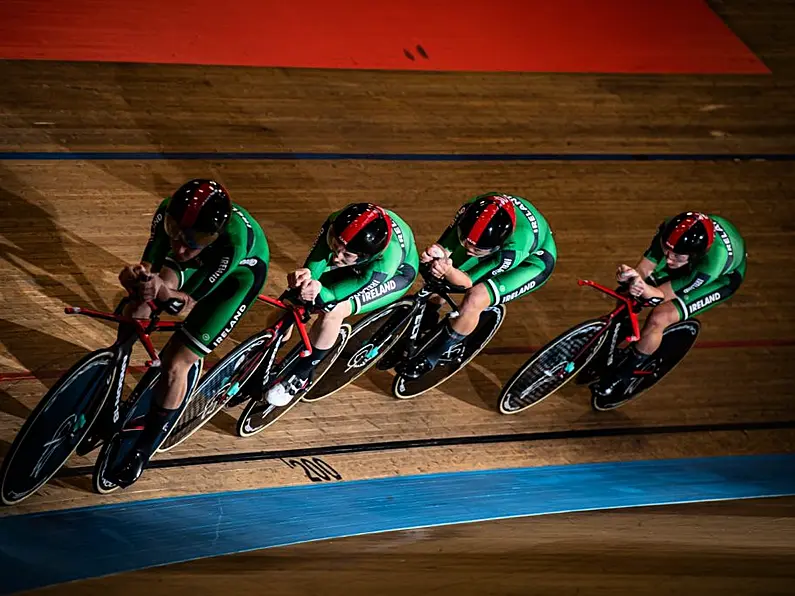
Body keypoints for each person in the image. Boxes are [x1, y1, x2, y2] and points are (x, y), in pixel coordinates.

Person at [112, 179, 270, 486]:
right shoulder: (168, 216)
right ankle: (111, 378)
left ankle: (144, 450)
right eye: (175, 235)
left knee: (175, 364)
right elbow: (151, 267)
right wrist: (138, 280)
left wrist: (164, 293)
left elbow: (184, 305)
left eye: (192, 240)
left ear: (211, 234)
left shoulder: (232, 242)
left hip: (236, 277)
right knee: (139, 304)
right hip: (204, 258)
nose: (180, 247)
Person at [266, 202, 419, 406]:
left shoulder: (384, 265)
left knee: (334, 310)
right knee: (294, 297)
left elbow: (334, 294)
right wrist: (307, 277)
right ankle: (264, 351)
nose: (337, 256)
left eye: (346, 254)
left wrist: (321, 292)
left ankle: (301, 375)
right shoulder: (338, 223)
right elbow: (317, 260)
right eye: (336, 245)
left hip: (394, 277)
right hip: (360, 259)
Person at [397, 192, 557, 379]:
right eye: (465, 242)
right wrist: (437, 252)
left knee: (475, 298)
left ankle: (432, 357)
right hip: (487, 239)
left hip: (532, 264)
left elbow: (467, 282)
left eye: (477, 250)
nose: (469, 251)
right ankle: (430, 311)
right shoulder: (473, 210)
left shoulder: (514, 248)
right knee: (443, 268)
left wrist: (448, 271)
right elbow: (448, 245)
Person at [592, 211, 747, 403]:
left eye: (677, 256)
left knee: (660, 317)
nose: (669, 259)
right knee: (628, 293)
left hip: (721, 280)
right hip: (693, 260)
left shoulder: (711, 263)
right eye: (666, 250)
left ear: (695, 254)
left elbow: (661, 295)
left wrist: (644, 289)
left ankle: (625, 373)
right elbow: (645, 269)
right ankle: (620, 332)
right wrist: (631, 277)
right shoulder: (671, 231)